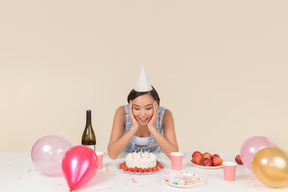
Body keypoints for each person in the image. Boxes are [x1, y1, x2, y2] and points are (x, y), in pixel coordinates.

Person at [107, 65, 178, 159]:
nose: (143, 114)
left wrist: (152, 127)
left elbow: (175, 155)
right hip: (127, 164)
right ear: (130, 106)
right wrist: (134, 128)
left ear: (155, 105)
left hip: (157, 163)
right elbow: (112, 154)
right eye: (136, 108)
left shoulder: (165, 115)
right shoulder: (122, 112)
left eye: (148, 108)